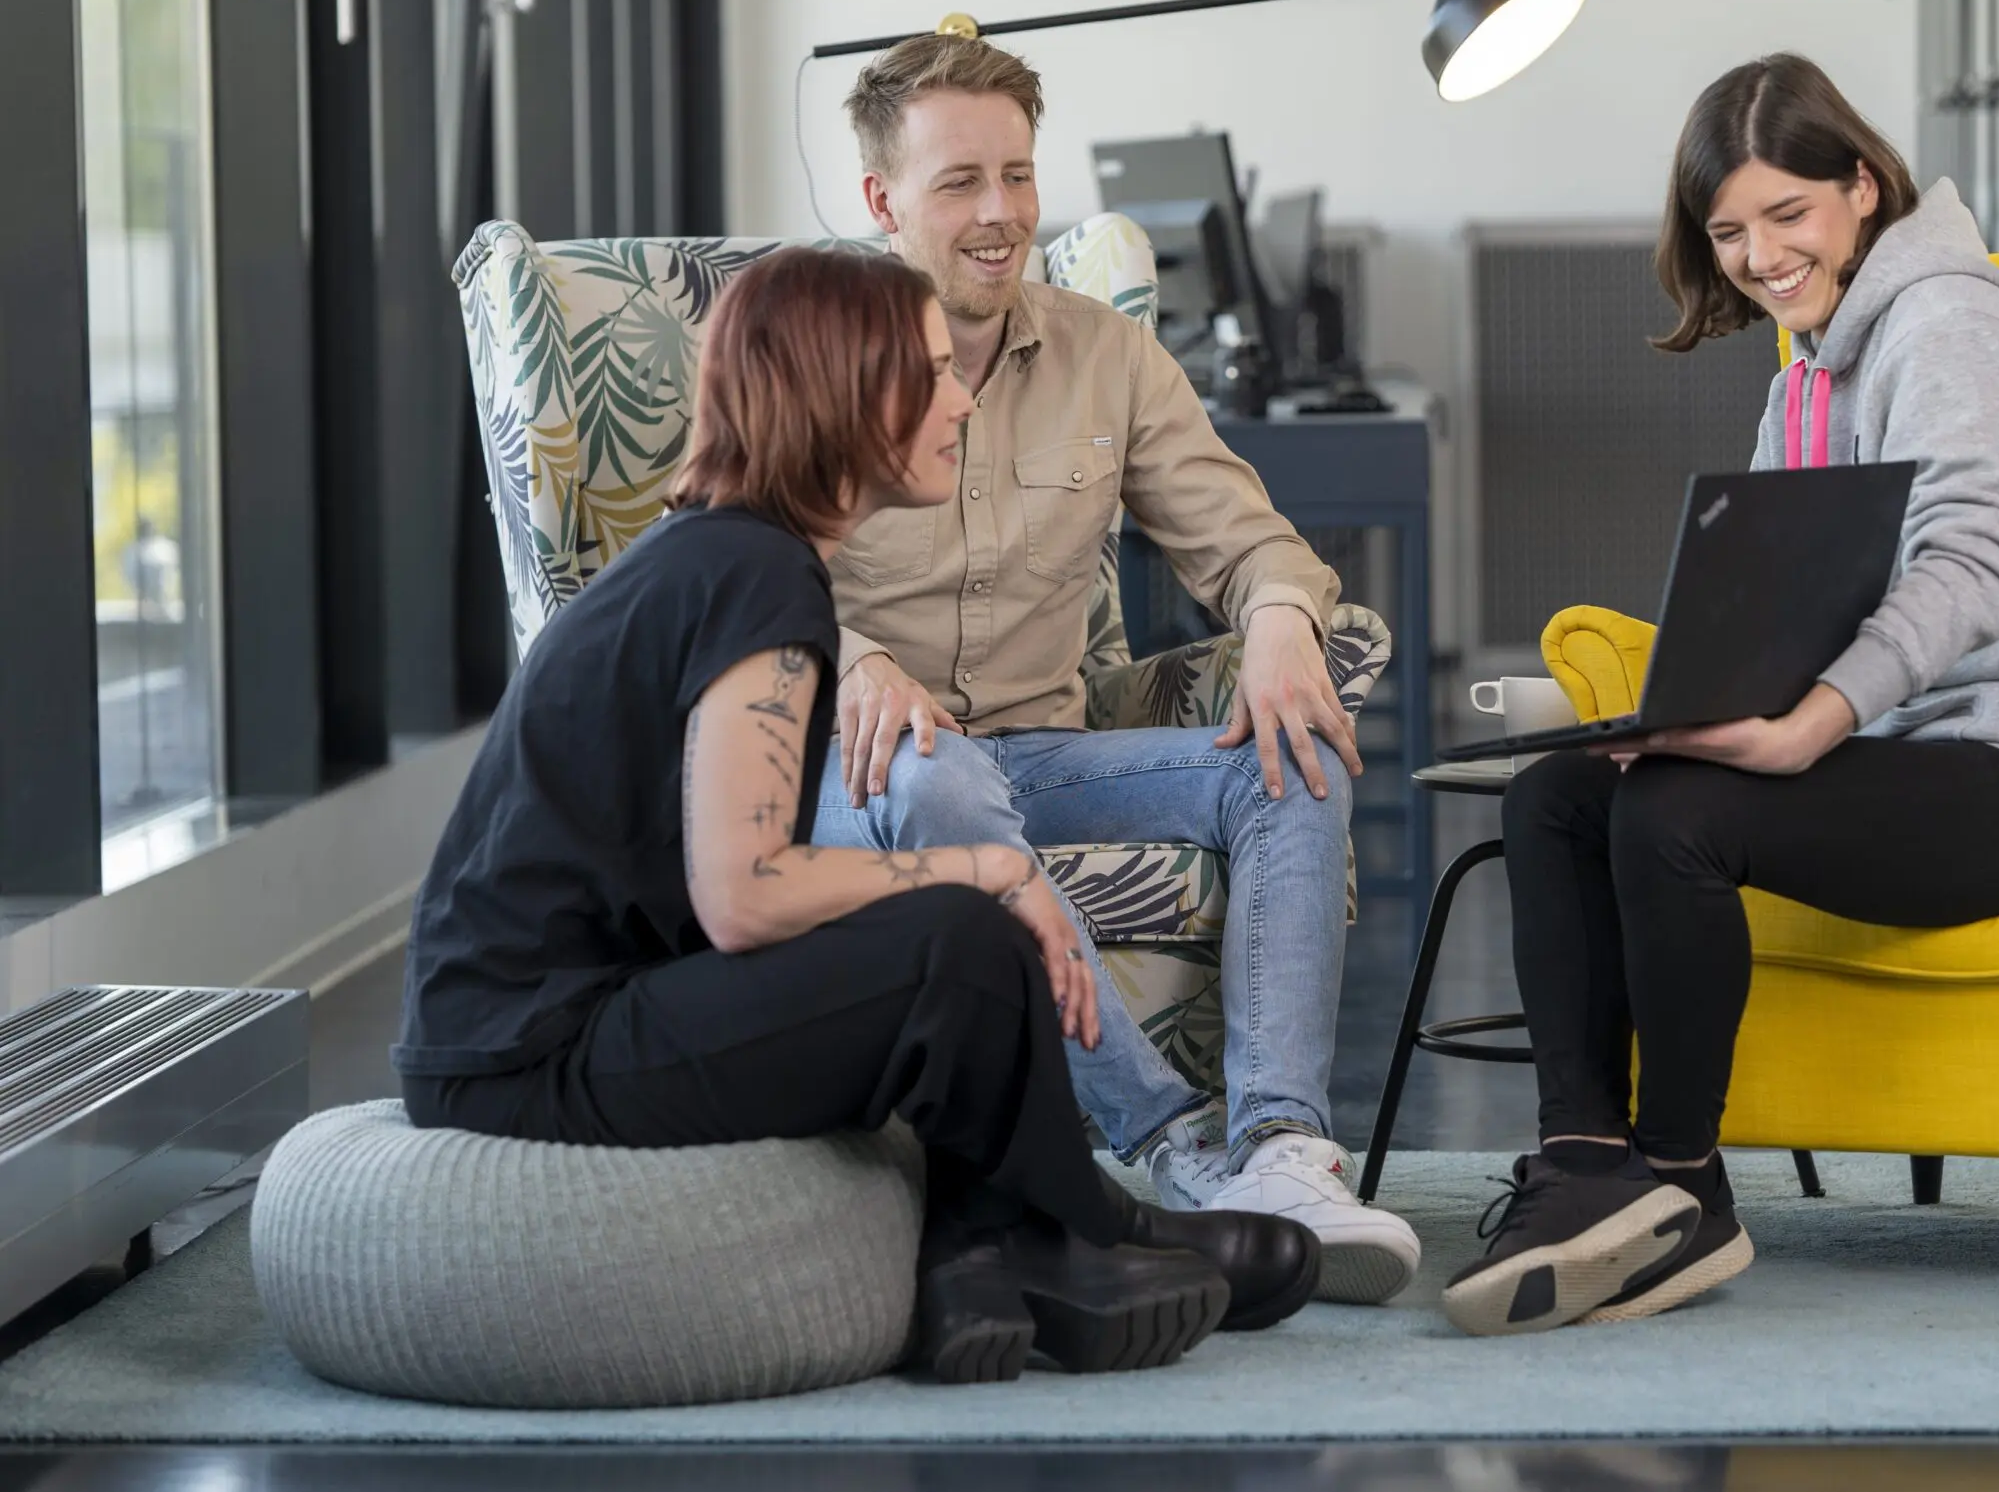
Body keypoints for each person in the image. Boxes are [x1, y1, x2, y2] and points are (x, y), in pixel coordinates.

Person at [393, 247, 1318, 1384]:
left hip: (546, 1024)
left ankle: (991, 1246)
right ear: (844, 394)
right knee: (962, 932)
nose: (963, 400)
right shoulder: (755, 575)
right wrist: (988, 871)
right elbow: (746, 894)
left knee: (953, 940)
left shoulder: (725, 555)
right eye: (929, 376)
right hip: (531, 1053)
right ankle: (1084, 1228)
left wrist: (978, 883)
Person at [1443, 54, 1999, 1338]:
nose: (1760, 253)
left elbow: (1971, 562)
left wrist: (1813, 720)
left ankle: (1680, 1188)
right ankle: (1580, 1167)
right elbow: (1782, 584)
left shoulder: (1953, 323)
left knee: (1677, 816)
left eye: (1787, 214)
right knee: (1561, 790)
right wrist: (1687, 704)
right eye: (1729, 230)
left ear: (1861, 184)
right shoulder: (1808, 359)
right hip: (1919, 747)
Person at [805, 34, 1422, 1303]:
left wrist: (1278, 621)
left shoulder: (1106, 354)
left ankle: (1280, 1146)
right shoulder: (806, 343)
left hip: (1038, 753)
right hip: (865, 771)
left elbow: (1251, 542)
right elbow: (713, 569)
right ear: (881, 201)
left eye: (1019, 177)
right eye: (960, 181)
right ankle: (1171, 1144)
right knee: (939, 789)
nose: (1000, 215)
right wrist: (848, 659)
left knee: (1288, 759)